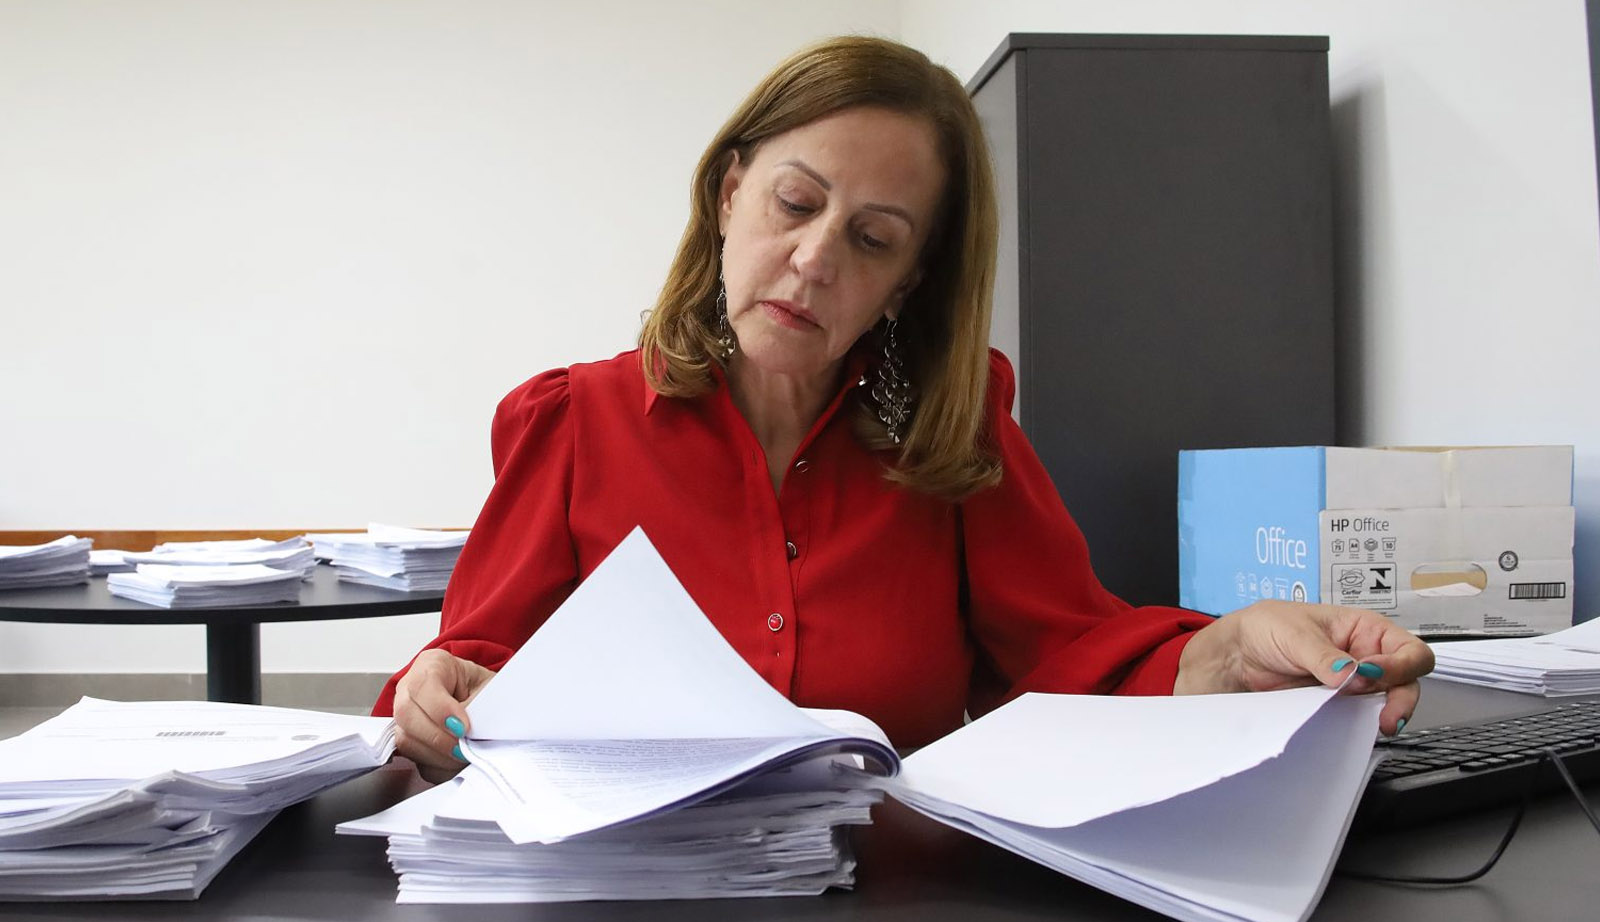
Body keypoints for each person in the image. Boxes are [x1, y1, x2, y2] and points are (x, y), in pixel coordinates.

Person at [375, 36, 1433, 783]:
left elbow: (1076, 649)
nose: (813, 259)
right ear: (729, 190)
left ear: (908, 282)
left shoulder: (954, 436)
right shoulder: (574, 422)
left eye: (873, 239)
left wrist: (1228, 649)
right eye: (795, 203)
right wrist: (435, 695)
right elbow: (468, 674)